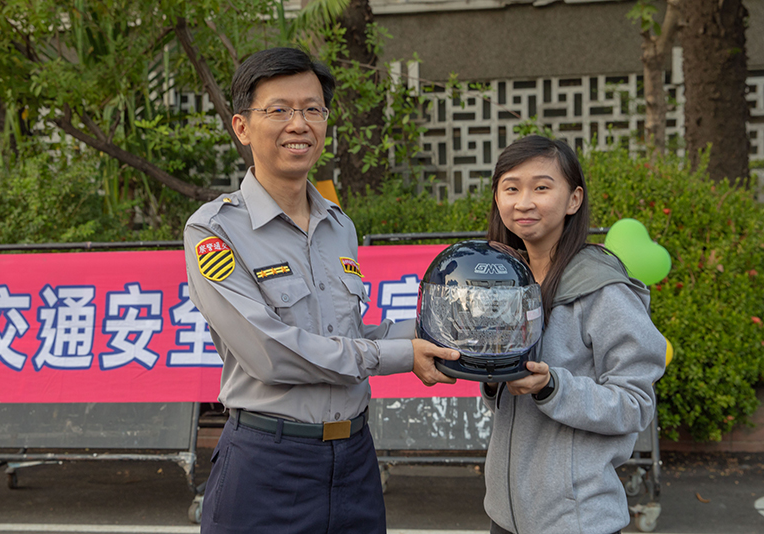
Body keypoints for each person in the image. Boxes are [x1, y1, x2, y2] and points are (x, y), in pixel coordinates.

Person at [183, 47, 459, 534]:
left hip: (353, 461)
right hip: (268, 466)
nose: (299, 124)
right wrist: (399, 355)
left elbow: (347, 332)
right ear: (242, 127)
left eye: (312, 109)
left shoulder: (338, 225)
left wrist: (455, 332)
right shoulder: (214, 230)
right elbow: (271, 353)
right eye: (279, 110)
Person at [482, 135, 667, 534]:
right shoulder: (503, 281)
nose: (524, 201)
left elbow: (636, 404)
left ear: (574, 199)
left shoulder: (603, 288)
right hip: (504, 516)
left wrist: (552, 388)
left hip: (578, 521)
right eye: (511, 187)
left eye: (542, 187)